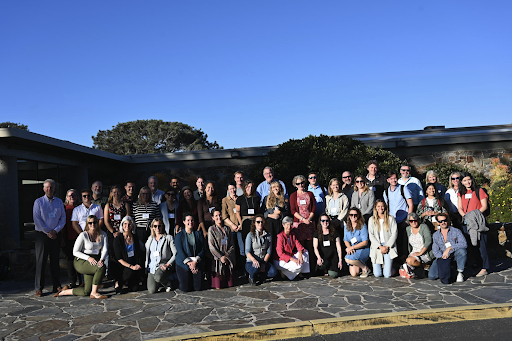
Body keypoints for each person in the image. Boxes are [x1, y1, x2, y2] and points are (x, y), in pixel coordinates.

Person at [53, 215, 108, 299]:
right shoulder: (83, 235)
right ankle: (94, 292)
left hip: (95, 260)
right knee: (101, 267)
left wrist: (102, 259)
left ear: (98, 223)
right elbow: (75, 252)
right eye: (90, 223)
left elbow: (105, 249)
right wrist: (88, 258)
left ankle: (64, 291)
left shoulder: (103, 234)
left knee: (86, 291)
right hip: (82, 261)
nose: (92, 224)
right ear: (87, 224)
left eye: (94, 222)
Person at [33, 179, 66, 296]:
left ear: (54, 189)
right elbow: (37, 219)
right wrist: (48, 231)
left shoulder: (59, 202)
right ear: (43, 189)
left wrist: (55, 231)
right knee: (41, 261)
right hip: (42, 235)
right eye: (47, 187)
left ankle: (56, 285)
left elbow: (63, 219)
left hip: (55, 234)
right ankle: (39, 288)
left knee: (55, 261)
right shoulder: (38, 202)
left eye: (51, 187)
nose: (49, 189)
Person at [457, 173, 489, 277]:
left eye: (469, 180)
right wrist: (466, 217)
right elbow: (460, 208)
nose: (467, 182)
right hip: (467, 222)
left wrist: (474, 216)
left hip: (478, 221)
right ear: (461, 182)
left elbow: (484, 206)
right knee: (473, 245)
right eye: (465, 180)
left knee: (482, 245)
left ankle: (484, 267)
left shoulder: (479, 191)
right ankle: (479, 264)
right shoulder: (461, 193)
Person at [429, 213, 467, 284]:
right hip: (443, 256)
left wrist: (450, 248)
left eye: (445, 220)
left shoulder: (456, 231)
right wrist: (442, 256)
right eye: (440, 221)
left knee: (462, 251)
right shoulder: (435, 235)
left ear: (448, 220)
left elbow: (464, 244)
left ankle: (460, 272)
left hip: (454, 254)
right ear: (438, 223)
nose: (443, 222)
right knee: (432, 276)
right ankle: (450, 270)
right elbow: (435, 250)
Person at [384, 171, 413, 258]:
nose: (394, 180)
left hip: (403, 221)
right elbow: (386, 206)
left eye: (395, 178)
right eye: (391, 179)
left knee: (404, 244)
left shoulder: (403, 188)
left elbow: (410, 204)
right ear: (388, 180)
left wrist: (407, 220)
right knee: (394, 243)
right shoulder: (386, 192)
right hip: (392, 221)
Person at [290, 175, 317, 268]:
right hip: (299, 224)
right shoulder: (293, 195)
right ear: (295, 185)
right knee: (301, 247)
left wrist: (309, 219)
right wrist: (303, 219)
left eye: (302, 183)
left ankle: (312, 268)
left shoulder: (310, 194)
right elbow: (293, 210)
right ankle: (302, 268)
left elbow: (314, 208)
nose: (300, 185)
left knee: (310, 246)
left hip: (309, 223)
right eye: (298, 183)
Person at [145, 218, 177, 293]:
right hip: (152, 267)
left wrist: (167, 264)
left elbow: (175, 253)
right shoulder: (150, 239)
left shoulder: (168, 238)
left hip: (163, 265)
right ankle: (159, 281)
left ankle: (167, 283)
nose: (157, 228)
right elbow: (145, 249)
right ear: (152, 227)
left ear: (163, 226)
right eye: (155, 226)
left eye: (159, 226)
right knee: (152, 290)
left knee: (158, 277)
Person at [113, 216, 144, 294]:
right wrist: (131, 267)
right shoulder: (118, 239)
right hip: (123, 266)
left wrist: (137, 265)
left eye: (129, 224)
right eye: (125, 224)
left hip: (134, 263)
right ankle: (118, 283)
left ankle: (128, 282)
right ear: (122, 225)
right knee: (130, 271)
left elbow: (140, 251)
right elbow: (119, 258)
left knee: (135, 288)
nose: (127, 226)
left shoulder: (135, 237)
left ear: (132, 225)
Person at [175, 214, 205, 292]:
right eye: (188, 220)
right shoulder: (179, 235)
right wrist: (189, 263)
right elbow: (179, 250)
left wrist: (195, 261)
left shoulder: (198, 234)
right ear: (184, 222)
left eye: (192, 220)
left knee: (198, 287)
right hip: (183, 263)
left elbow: (202, 248)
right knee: (185, 289)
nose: (190, 222)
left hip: (196, 262)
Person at [368, 200, 397, 278]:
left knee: (387, 275)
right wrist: (380, 246)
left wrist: (386, 246)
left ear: (385, 207)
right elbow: (371, 235)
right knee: (377, 274)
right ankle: (385, 266)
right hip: (377, 247)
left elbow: (394, 234)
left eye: (382, 206)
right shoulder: (371, 220)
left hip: (388, 246)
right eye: (378, 206)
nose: (380, 208)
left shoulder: (391, 219)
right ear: (375, 208)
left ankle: (394, 268)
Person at [245, 215, 277, 285]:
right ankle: (252, 277)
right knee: (255, 268)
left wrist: (264, 263)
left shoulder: (268, 235)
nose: (260, 223)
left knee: (273, 272)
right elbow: (247, 251)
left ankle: (261, 275)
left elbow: (269, 251)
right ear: (254, 223)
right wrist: (254, 260)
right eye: (258, 222)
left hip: (262, 260)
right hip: (252, 261)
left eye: (262, 222)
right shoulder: (250, 235)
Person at [208, 209, 236, 289]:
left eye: (220, 215)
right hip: (217, 260)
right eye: (216, 216)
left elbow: (232, 244)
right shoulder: (211, 229)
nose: (218, 217)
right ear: (213, 218)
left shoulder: (227, 229)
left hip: (227, 258)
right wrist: (221, 257)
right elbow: (211, 246)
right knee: (219, 286)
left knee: (230, 285)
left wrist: (226, 256)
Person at [62, 189, 82, 289]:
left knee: (81, 259)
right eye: (69, 195)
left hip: (80, 237)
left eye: (74, 195)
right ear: (66, 197)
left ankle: (82, 280)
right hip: (68, 237)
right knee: (70, 260)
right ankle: (72, 281)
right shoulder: (64, 208)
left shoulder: (81, 207)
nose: (72, 197)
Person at [404, 213, 434, 278]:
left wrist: (420, 253)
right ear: (409, 222)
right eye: (411, 221)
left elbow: (428, 240)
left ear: (418, 220)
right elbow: (406, 243)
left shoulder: (424, 227)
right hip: (413, 252)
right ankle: (422, 267)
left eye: (415, 220)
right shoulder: (408, 229)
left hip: (424, 252)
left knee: (409, 261)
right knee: (405, 267)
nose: (413, 222)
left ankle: (424, 265)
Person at [261, 180, 289, 249]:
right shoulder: (266, 199)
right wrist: (270, 215)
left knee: (279, 241)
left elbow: (288, 212)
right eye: (273, 187)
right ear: (271, 189)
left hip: (280, 223)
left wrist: (280, 213)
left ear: (280, 188)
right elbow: (261, 211)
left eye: (277, 187)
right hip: (269, 223)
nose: (275, 188)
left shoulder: (285, 200)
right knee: (270, 241)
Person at [344, 208, 371, 277]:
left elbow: (365, 242)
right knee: (354, 273)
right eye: (351, 215)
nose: (353, 217)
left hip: (362, 249)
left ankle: (365, 268)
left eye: (355, 215)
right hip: (353, 249)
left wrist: (352, 247)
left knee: (347, 259)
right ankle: (360, 264)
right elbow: (346, 240)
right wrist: (349, 248)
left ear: (358, 215)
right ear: (349, 216)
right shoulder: (346, 226)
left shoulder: (362, 226)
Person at [222, 182, 245, 263]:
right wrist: (233, 225)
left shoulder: (240, 199)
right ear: (228, 190)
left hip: (240, 228)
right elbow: (224, 216)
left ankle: (243, 268)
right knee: (232, 248)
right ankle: (234, 267)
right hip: (230, 229)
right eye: (230, 189)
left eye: (234, 188)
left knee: (242, 249)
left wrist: (240, 225)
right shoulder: (225, 200)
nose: (233, 190)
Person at [236, 179, 261, 244]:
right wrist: (241, 223)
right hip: (245, 221)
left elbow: (258, 211)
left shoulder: (257, 198)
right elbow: (238, 213)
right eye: (248, 187)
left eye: (251, 187)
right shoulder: (240, 199)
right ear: (245, 187)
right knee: (246, 240)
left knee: (256, 240)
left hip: (254, 221)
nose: (250, 188)